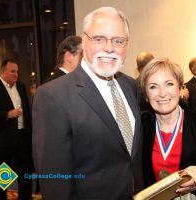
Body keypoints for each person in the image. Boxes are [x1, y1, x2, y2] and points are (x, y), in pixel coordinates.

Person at [33, 7, 143, 199]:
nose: (109, 48)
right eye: (99, 39)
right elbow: (55, 182)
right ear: (84, 41)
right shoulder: (52, 96)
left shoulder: (130, 86)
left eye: (118, 41)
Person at [139, 57, 196, 198]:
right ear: (146, 94)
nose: (162, 93)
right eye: (153, 86)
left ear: (181, 88)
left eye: (169, 84)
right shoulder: (139, 126)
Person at [0, 59, 33, 200]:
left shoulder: (21, 87)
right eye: (12, 71)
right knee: (3, 176)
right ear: (3, 72)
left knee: (25, 174)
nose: (16, 74)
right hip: (2, 141)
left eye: (17, 71)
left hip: (23, 137)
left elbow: (27, 112)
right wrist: (6, 114)